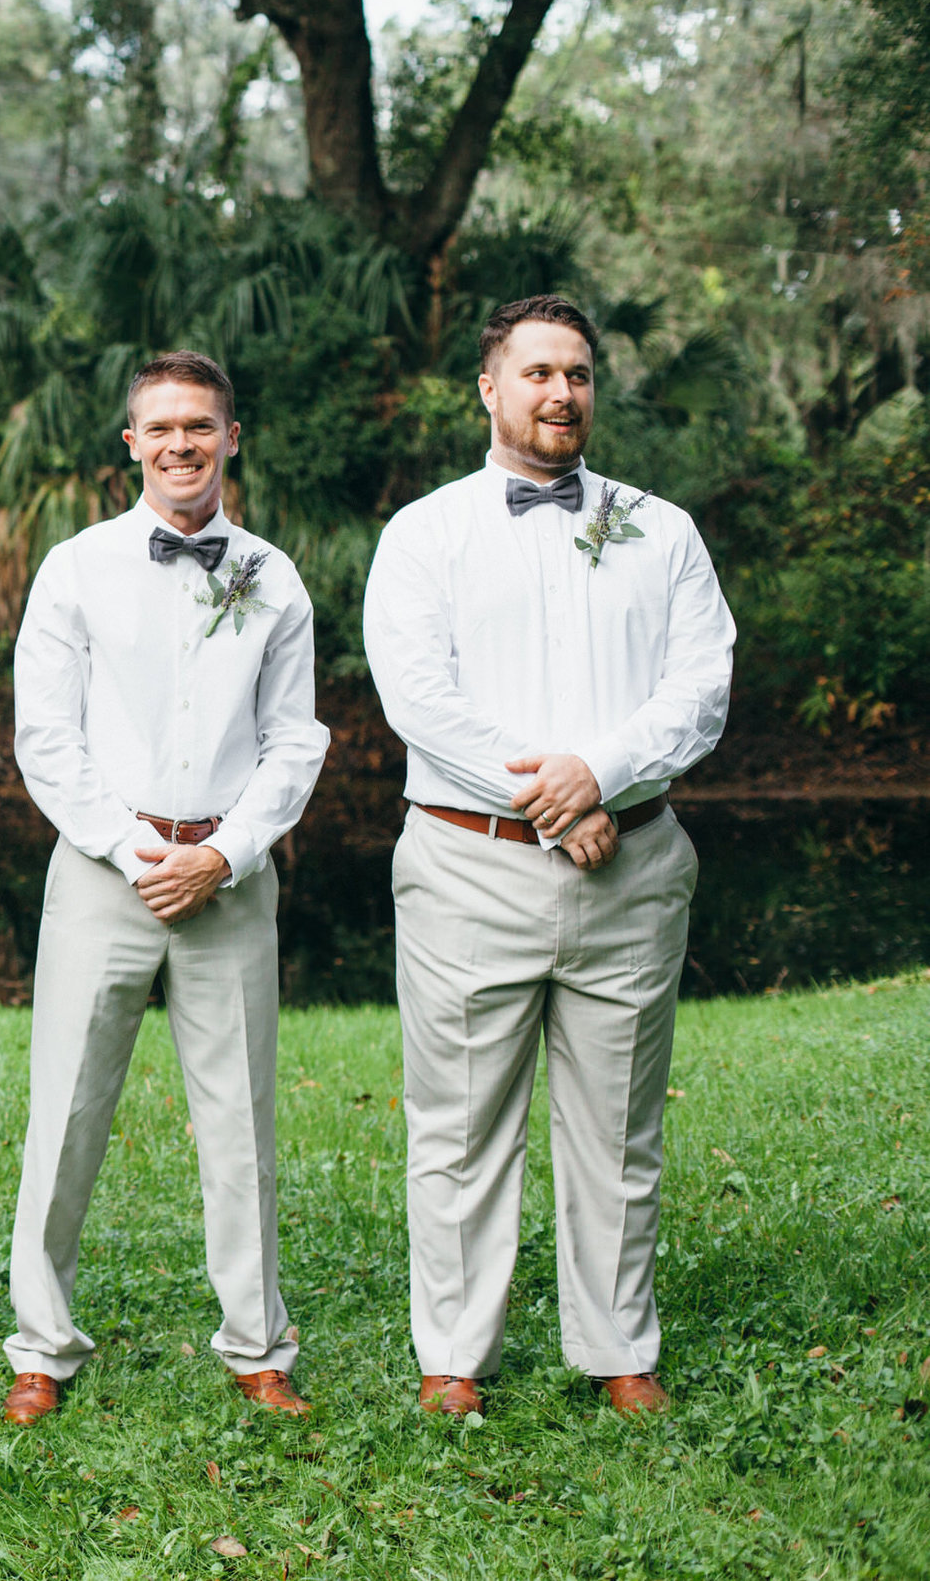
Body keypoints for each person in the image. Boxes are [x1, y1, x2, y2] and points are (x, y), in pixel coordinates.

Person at [364, 294, 735, 1418]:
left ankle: (618, 1347)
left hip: (631, 863)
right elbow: (420, 698)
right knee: (460, 1120)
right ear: (489, 388)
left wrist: (600, 774)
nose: (558, 392)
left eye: (575, 373)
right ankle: (454, 1357)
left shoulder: (661, 530)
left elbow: (700, 685)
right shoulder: (425, 533)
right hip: (470, 866)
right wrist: (547, 798)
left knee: (618, 1122)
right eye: (535, 372)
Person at [0, 351, 330, 1427]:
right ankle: (42, 1344)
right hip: (103, 872)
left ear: (231, 437)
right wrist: (135, 846)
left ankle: (256, 1343)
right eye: (161, 427)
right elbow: (44, 737)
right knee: (66, 1114)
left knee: (239, 1119)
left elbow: (293, 737)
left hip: (228, 875)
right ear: (129, 445)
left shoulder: (273, 576)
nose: (181, 443)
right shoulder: (77, 567)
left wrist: (224, 853)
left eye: (202, 425)